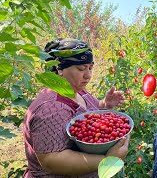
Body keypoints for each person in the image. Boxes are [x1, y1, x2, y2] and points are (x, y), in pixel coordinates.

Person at [23, 38, 129, 178]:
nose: (88, 75)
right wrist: (108, 160)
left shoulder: (78, 91)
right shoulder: (51, 107)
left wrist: (105, 104)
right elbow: (51, 161)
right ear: (59, 69)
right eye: (81, 69)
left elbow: (90, 114)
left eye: (90, 68)